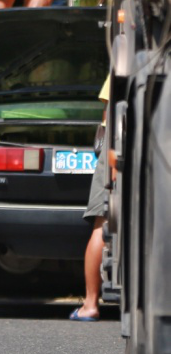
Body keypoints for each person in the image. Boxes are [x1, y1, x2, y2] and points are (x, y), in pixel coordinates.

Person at [74, 74, 112, 322]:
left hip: (117, 143)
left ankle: (90, 304)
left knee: (102, 222)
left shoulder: (131, 51)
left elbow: (110, 110)